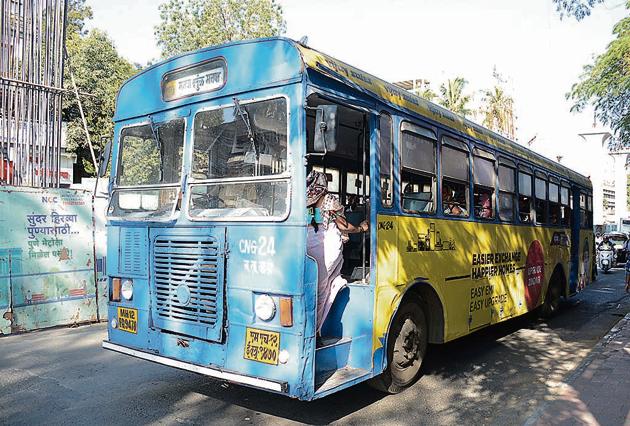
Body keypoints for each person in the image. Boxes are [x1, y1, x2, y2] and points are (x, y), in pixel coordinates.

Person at [306, 170, 368, 337]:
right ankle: (315, 331)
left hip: (308, 247)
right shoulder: (329, 200)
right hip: (327, 248)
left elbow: (315, 224)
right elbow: (343, 225)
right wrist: (361, 228)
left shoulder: (304, 201)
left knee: (311, 287)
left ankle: (309, 328)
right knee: (322, 290)